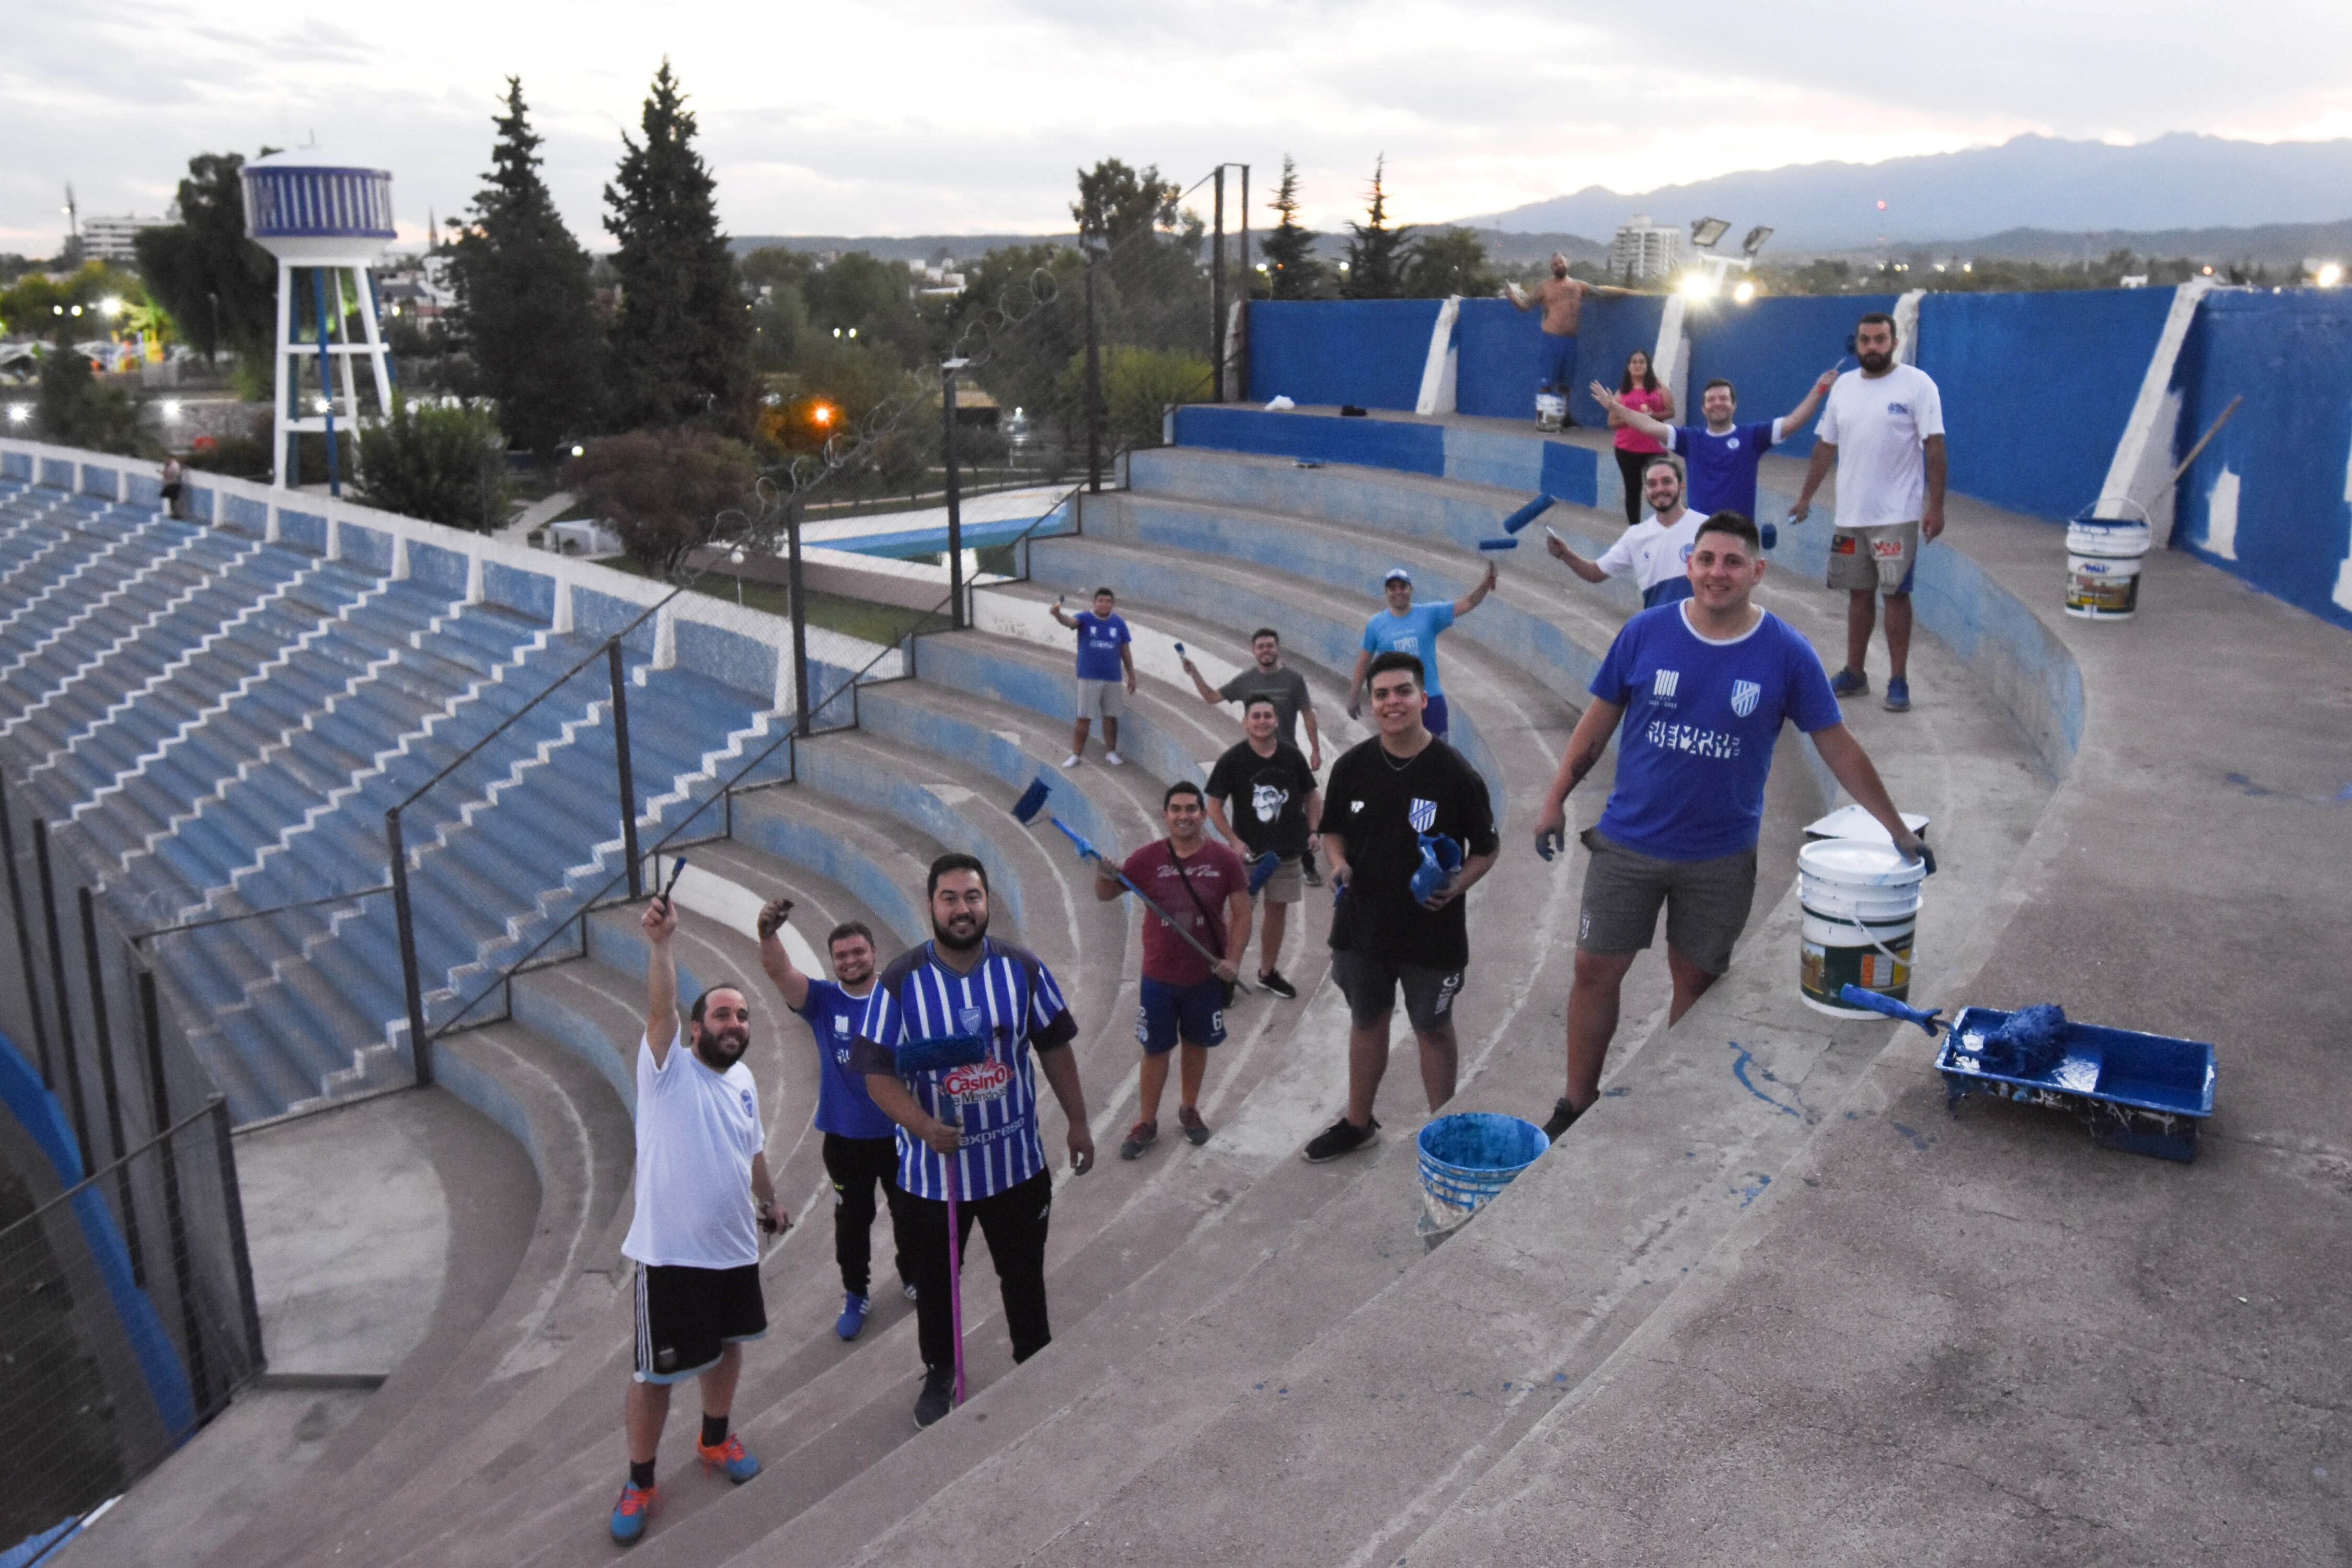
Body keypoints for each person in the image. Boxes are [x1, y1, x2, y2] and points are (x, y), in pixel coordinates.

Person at [1530, 511, 1933, 1141]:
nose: (1718, 573)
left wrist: (1895, 830)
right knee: (1594, 970)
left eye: (1732, 562)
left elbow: (1839, 747)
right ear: (1688, 564)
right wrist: (1556, 798)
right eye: (1707, 560)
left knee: (1695, 980)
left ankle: (1666, 1099)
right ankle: (1575, 1104)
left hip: (1719, 858)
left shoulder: (1787, 654)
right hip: (1628, 844)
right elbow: (1597, 723)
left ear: (1757, 572)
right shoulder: (1644, 633)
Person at [850, 854, 1096, 1429]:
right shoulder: (900, 982)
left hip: (1017, 1167)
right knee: (937, 1288)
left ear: (988, 902)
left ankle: (1034, 1355)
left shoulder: (1023, 970)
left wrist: (1078, 1121)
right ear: (931, 905)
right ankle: (941, 1372)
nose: (963, 909)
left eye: (973, 897)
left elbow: (1054, 1046)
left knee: (1025, 1276)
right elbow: (878, 1074)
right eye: (951, 898)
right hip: (933, 1183)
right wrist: (924, 1126)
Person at [610, 897, 780, 1544]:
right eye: (721, 1014)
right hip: (671, 1255)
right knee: (656, 1376)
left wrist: (770, 1202)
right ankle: (641, 1479)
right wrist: (662, 946)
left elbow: (753, 1152)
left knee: (729, 1347)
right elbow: (659, 1009)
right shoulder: (665, 1070)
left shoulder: (744, 1083)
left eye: (741, 1015)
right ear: (694, 1028)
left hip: (734, 1248)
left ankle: (715, 1440)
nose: (734, 1023)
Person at [1303, 651, 1500, 1162]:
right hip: (1361, 927)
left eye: (1403, 692)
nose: (1393, 702)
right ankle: (1357, 1122)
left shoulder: (1455, 773)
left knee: (1432, 1028)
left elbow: (1487, 848)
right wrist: (1340, 863)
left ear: (1422, 699)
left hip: (1431, 933)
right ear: (1371, 704)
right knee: (1367, 1020)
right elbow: (1332, 833)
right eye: (1383, 694)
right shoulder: (1352, 767)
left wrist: (1456, 887)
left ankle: (1446, 1134)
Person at [755, 900, 912, 1343]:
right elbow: (781, 973)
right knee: (852, 1223)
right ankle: (856, 1294)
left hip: (901, 1132)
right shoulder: (822, 1001)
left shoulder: (898, 995)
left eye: (858, 952)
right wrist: (768, 935)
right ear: (833, 961)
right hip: (845, 1141)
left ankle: (912, 1274)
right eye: (841, 955)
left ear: (874, 953)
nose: (850, 960)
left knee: (910, 1213)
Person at [1786, 312, 1949, 713]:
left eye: (1880, 339)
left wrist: (1936, 507)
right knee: (1858, 595)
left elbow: (1935, 447)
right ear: (1855, 344)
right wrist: (1806, 497)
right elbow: (1825, 447)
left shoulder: (1918, 385)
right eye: (1865, 340)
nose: (1872, 347)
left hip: (1897, 513)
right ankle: (1855, 673)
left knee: (1895, 595)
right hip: (1850, 515)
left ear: (1893, 342)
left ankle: (1898, 680)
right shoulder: (1842, 387)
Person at [1098, 782, 1252, 1159]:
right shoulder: (1147, 859)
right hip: (1158, 976)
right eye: (1177, 810)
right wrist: (1105, 874)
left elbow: (1243, 913)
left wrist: (1233, 960)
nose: (1184, 816)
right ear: (1165, 815)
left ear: (1203, 814)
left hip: (1204, 976)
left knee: (1196, 1045)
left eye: (1191, 809)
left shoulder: (1225, 861)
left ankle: (1189, 1109)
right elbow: (1106, 894)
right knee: (1155, 1050)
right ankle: (1146, 1122)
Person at [1590, 366, 1837, 525]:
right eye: (1712, 400)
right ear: (1703, 408)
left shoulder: (1753, 437)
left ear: (1733, 405)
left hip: (1740, 534)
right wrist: (1615, 407)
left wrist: (1819, 389)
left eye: (1724, 398)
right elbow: (1648, 425)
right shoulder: (1690, 440)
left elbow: (1793, 422)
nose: (1718, 403)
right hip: (1700, 532)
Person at [1204, 697, 1322, 999]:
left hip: (1286, 852)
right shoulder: (1232, 759)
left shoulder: (1292, 757)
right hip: (1249, 856)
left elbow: (1312, 797)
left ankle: (1267, 973)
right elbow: (1214, 805)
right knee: (1240, 915)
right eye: (1255, 716)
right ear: (1246, 722)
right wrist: (1233, 840)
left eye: (1267, 715)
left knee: (1277, 911)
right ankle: (1227, 976)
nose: (1262, 721)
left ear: (1277, 721)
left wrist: (1313, 830)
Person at [1346, 563, 1494, 740]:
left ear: (1411, 589)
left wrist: (1485, 584)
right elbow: (1364, 663)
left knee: (1437, 757)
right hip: (1398, 704)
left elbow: (1468, 603)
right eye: (1392, 588)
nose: (1398, 592)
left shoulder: (1429, 614)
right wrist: (1353, 698)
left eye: (1403, 586)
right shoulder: (1376, 624)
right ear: (1386, 593)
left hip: (1430, 698)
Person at [1547, 453, 1701, 609]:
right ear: (1646, 490)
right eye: (1652, 484)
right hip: (1658, 627)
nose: (1660, 489)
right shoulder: (1636, 536)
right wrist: (1564, 554)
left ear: (1681, 485)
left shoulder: (1706, 527)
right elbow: (1595, 573)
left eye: (1667, 482)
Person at [1504, 253, 1635, 430]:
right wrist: (1512, 297)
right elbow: (1525, 306)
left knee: (1566, 384)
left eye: (1561, 262)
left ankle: (1565, 417)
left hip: (1571, 341)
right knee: (1547, 382)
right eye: (1555, 264)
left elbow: (1601, 292)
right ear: (1552, 268)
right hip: (1552, 340)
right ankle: (1545, 419)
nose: (1559, 265)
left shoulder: (1578, 286)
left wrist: (1626, 292)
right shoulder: (1544, 287)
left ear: (1567, 264)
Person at [1179, 627, 1322, 770]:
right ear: (1253, 651)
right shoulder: (1244, 681)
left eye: (1270, 646)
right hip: (1255, 758)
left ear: (1277, 649)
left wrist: (1316, 751)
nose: (1266, 650)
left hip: (1288, 757)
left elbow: (1308, 715)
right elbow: (1211, 697)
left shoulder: (1294, 680)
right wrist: (1195, 674)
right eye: (1261, 647)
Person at [1049, 587, 1135, 766]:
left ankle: (1111, 753)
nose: (1104, 604)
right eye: (1101, 601)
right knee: (1084, 717)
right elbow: (1070, 622)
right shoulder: (1085, 618)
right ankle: (1076, 755)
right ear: (1094, 602)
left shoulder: (1119, 623)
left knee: (1111, 717)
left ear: (1113, 604)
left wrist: (1131, 675)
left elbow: (1125, 651)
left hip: (1113, 678)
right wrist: (1058, 615)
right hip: (1089, 677)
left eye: (1108, 601)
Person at [1606, 349, 1675, 525]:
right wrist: (1631, 418)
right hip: (1627, 448)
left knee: (1663, 487)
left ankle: (1666, 524)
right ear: (1629, 367)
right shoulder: (1621, 393)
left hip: (1655, 449)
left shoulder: (1659, 388)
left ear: (1648, 366)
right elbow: (1612, 421)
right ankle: (1635, 530)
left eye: (1642, 362)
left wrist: (1652, 416)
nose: (1638, 365)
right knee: (1633, 489)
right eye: (1634, 362)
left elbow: (1670, 411)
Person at [159, 455, 185, 522]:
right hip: (172, 484)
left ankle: (177, 514)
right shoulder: (171, 465)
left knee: (175, 499)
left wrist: (163, 473)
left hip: (174, 484)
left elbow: (171, 475)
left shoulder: (175, 465)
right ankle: (174, 513)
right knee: (172, 500)